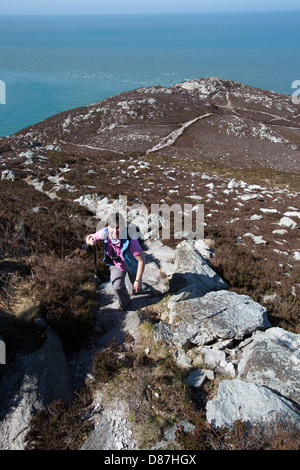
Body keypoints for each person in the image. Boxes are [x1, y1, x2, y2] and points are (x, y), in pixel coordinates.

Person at [86, 212, 145, 310]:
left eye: (118, 227)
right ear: (107, 227)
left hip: (133, 265)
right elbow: (91, 236)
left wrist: (138, 281)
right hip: (117, 265)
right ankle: (125, 303)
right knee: (117, 286)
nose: (115, 230)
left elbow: (142, 261)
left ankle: (134, 286)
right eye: (111, 227)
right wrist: (89, 240)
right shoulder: (105, 232)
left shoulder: (131, 239)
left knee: (135, 290)